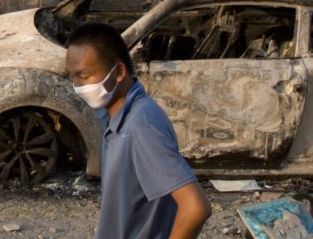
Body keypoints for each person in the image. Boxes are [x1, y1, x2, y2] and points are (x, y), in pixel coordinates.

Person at [65, 22, 211, 239]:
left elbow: (195, 208)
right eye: (73, 76)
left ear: (119, 71)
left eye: (85, 76)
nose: (78, 85)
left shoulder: (141, 126)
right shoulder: (113, 114)